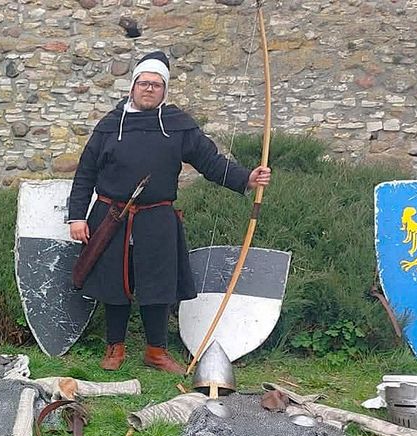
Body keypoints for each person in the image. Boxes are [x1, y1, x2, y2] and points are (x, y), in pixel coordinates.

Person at [68, 51, 271, 373]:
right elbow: (85, 174)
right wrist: (77, 216)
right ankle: (114, 347)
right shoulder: (109, 126)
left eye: (156, 85)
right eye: (144, 83)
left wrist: (246, 177)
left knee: (157, 285)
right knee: (114, 285)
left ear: (165, 90)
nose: (149, 89)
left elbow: (209, 161)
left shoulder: (178, 126)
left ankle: (156, 352)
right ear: (132, 86)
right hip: (110, 216)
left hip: (157, 217)